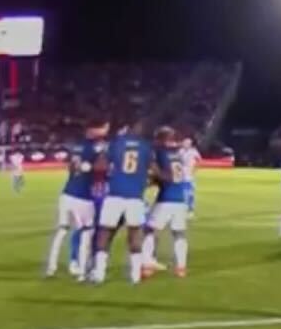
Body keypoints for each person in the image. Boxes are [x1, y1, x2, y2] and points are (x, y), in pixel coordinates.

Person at [90, 127, 154, 285]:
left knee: (105, 233)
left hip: (115, 194)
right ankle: (135, 275)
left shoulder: (116, 143)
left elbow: (100, 166)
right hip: (135, 196)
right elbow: (153, 169)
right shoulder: (146, 146)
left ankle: (99, 273)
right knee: (135, 233)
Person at [45, 120, 108, 279]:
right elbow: (101, 167)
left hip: (67, 193)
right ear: (92, 129)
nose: (104, 131)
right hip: (83, 196)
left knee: (62, 230)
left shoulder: (76, 146)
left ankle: (51, 267)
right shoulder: (95, 147)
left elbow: (71, 166)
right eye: (101, 128)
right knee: (87, 232)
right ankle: (81, 270)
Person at [141, 127, 192, 277]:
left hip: (166, 199)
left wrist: (150, 179)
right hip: (180, 200)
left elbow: (161, 174)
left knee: (149, 230)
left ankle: (147, 263)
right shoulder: (177, 155)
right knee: (179, 233)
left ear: (160, 139)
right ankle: (181, 267)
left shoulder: (160, 152)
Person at [181, 141, 202, 217]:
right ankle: (185, 208)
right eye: (184, 143)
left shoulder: (193, 151)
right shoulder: (180, 151)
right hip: (182, 174)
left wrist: (195, 169)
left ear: (190, 144)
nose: (185, 145)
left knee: (190, 192)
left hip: (190, 174)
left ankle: (190, 209)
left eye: (187, 143)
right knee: (184, 192)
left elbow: (199, 159)